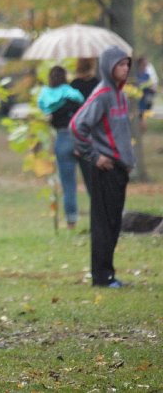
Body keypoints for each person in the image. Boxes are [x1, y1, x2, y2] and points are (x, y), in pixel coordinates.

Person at [70, 46, 135, 288]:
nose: (125, 69)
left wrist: (128, 161)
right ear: (109, 67)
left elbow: (120, 133)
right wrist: (94, 156)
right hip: (104, 169)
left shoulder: (120, 95)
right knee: (103, 224)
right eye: (120, 64)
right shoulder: (103, 94)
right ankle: (101, 276)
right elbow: (77, 125)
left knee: (114, 223)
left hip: (119, 168)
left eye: (127, 64)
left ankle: (109, 273)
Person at [37, 66, 85, 229]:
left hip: (63, 138)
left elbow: (48, 118)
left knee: (68, 185)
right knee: (91, 181)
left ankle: (71, 221)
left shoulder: (46, 98)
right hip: (81, 137)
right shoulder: (74, 95)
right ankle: (101, 216)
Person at [70, 58, 99, 195]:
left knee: (87, 173)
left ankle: (93, 197)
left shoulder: (73, 86)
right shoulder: (97, 84)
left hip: (80, 133)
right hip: (96, 132)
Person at [136, 55, 158, 130]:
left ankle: (142, 126)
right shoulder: (136, 73)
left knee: (144, 112)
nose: (145, 65)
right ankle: (141, 125)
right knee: (141, 113)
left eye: (146, 64)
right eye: (144, 64)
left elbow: (152, 82)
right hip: (139, 97)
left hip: (146, 95)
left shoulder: (147, 74)